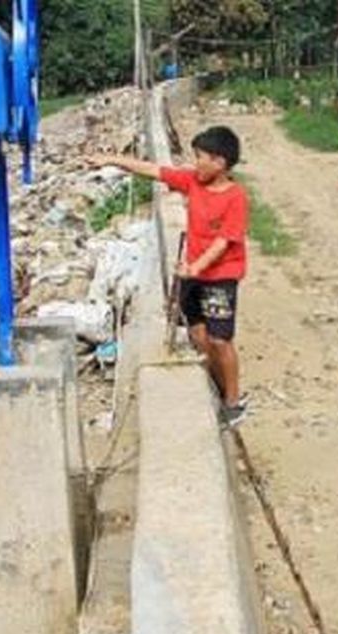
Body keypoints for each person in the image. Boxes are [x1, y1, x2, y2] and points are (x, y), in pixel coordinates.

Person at [86, 126, 249, 428]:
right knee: (198, 335)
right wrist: (112, 160)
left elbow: (223, 241)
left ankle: (233, 400)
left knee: (220, 338)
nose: (195, 163)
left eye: (200, 157)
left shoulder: (235, 198)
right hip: (193, 274)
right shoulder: (192, 182)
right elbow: (153, 169)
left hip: (218, 278)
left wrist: (196, 267)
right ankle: (216, 384)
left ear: (220, 163)